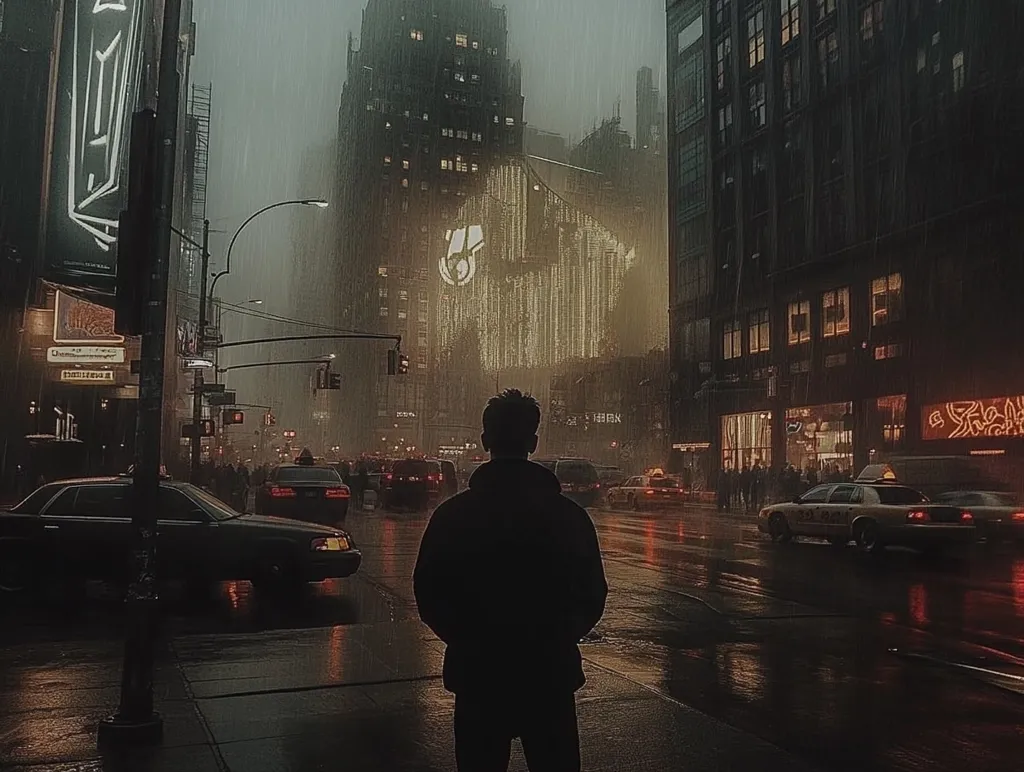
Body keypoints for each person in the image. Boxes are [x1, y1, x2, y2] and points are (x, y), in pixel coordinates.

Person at [414, 389, 608, 772]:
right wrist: (554, 636)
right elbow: (592, 594)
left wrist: (470, 638)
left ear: (486, 440)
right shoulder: (568, 517)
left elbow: (429, 592)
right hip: (549, 676)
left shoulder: (453, 516)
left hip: (478, 677)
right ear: (533, 443)